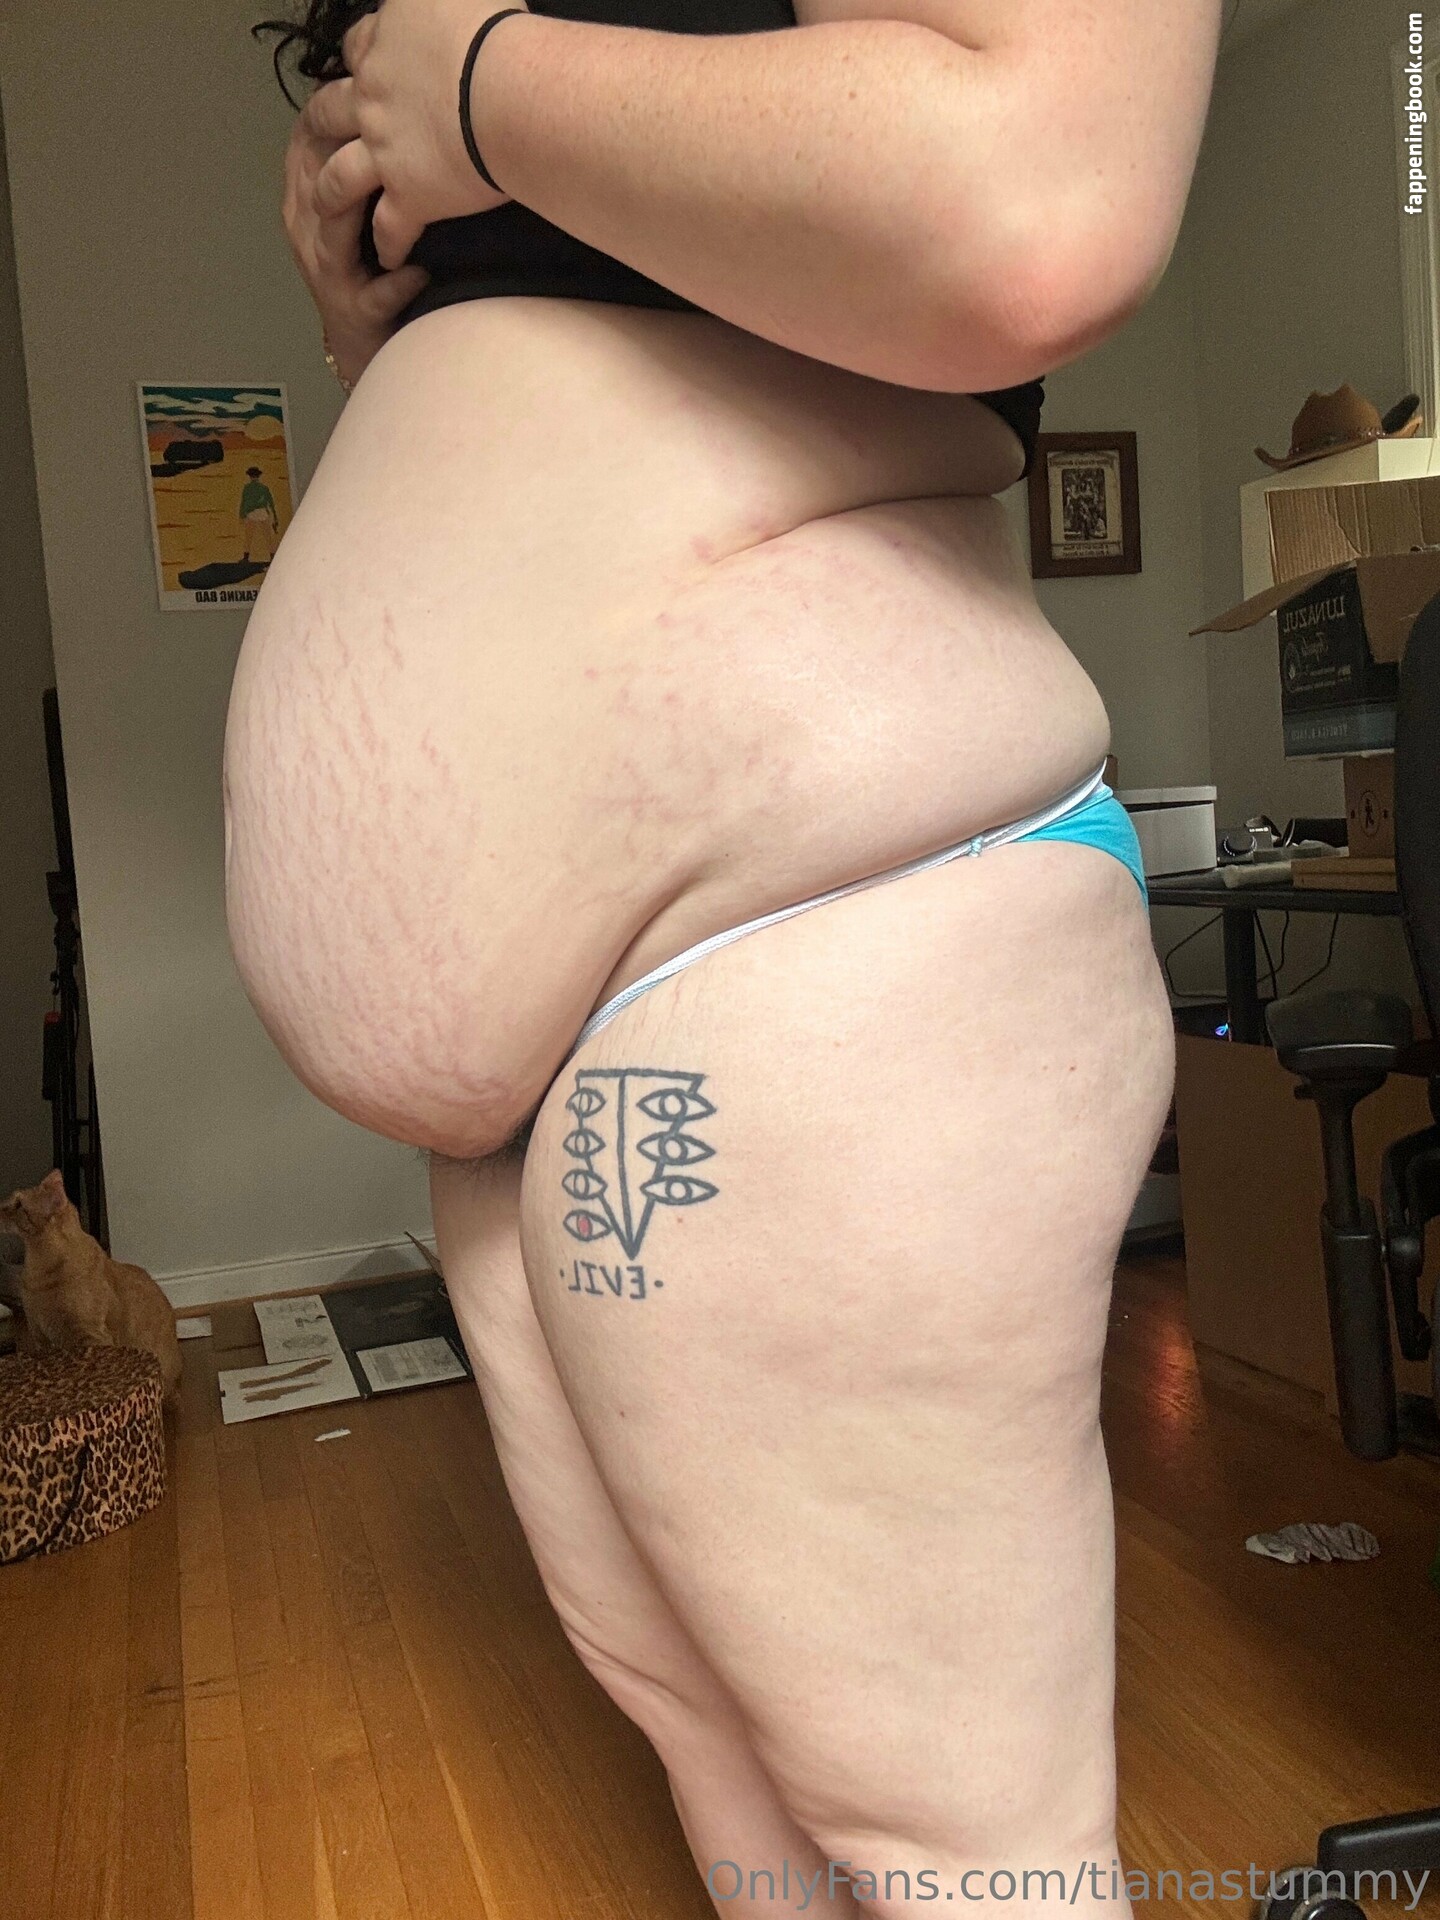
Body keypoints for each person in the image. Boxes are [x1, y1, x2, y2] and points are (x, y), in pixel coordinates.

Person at [228, 3, 1223, 1913]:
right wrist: (386, 303)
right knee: (726, 1754)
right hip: (594, 1028)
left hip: (816, 915)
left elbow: (1042, 199)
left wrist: (480, 86)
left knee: (967, 1852)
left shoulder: (492, 64)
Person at [237, 464, 280, 562]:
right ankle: (272, 555)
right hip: (262, 512)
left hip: (251, 513)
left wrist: (242, 515)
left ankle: (246, 557)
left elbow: (243, 502)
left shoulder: (247, 488)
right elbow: (271, 503)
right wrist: (275, 517)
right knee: (268, 535)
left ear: (250, 476)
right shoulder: (264, 488)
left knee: (248, 536)